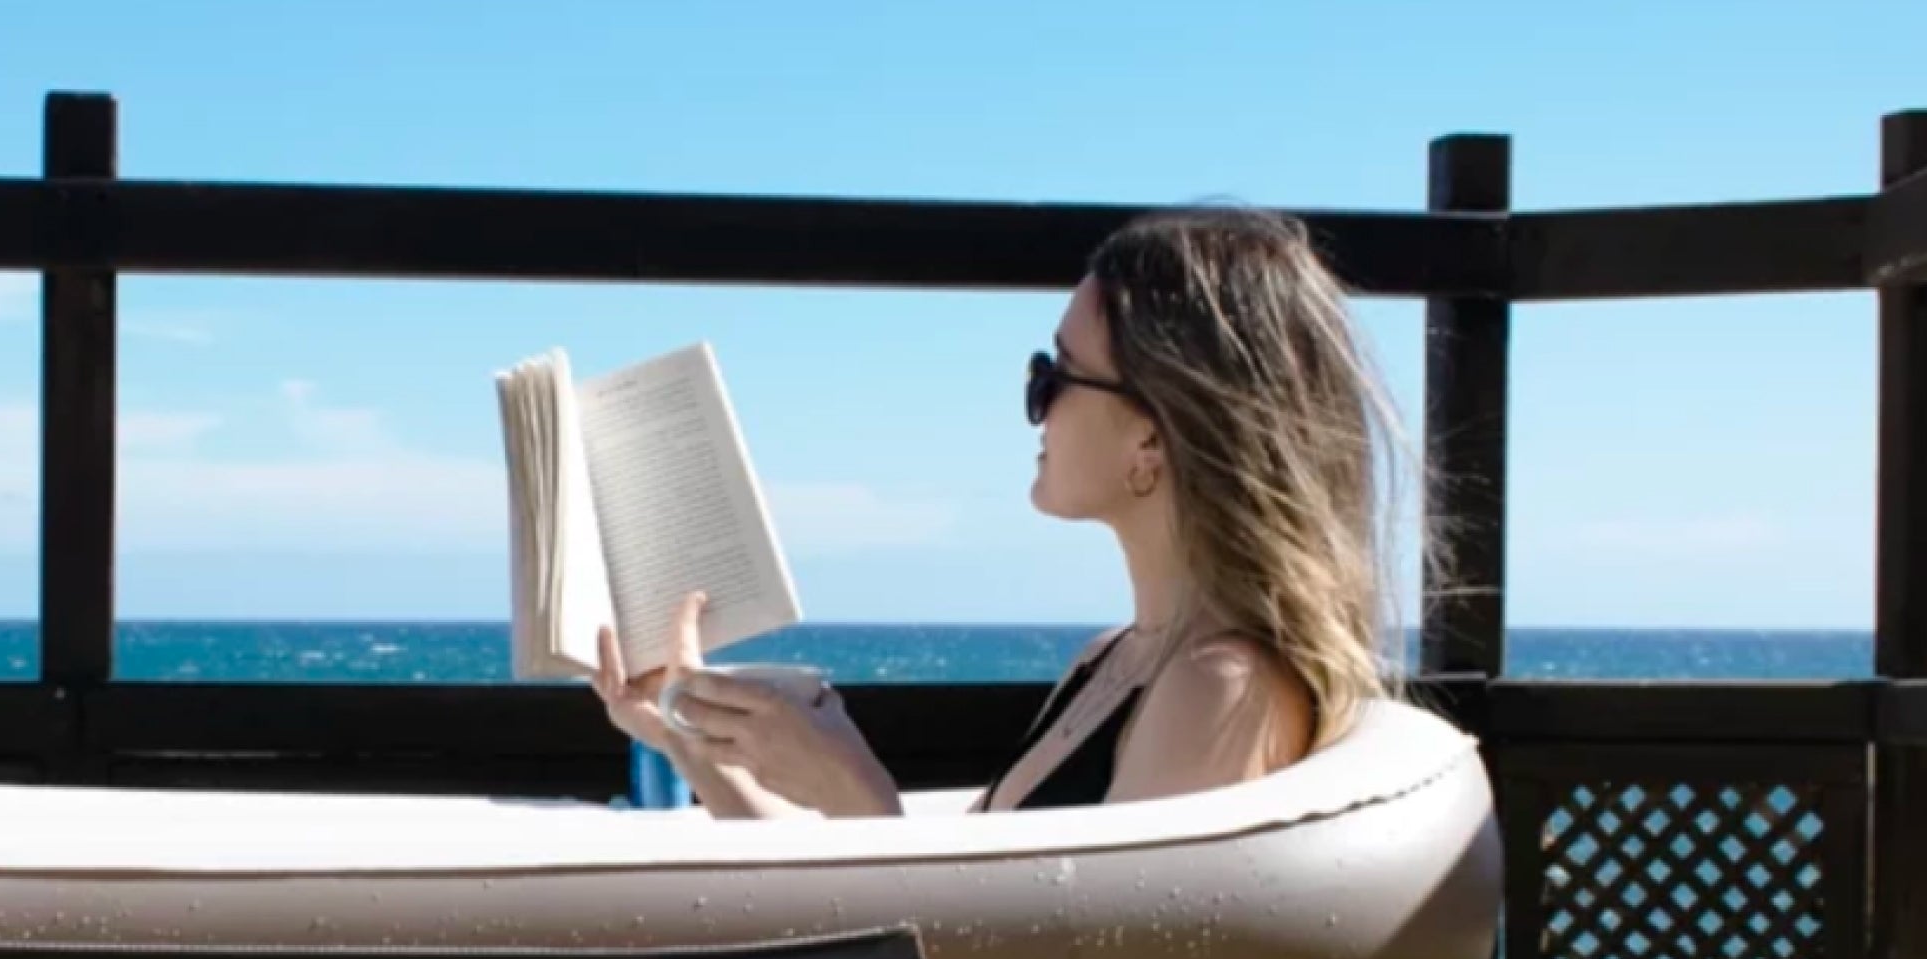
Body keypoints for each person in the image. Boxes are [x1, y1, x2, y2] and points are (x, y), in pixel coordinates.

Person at [592, 206, 1414, 819]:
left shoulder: (1219, 689)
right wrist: (684, 740)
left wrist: (856, 791)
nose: (1036, 402)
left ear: (1153, 442)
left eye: (1058, 374)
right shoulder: (1121, 663)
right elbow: (974, 924)